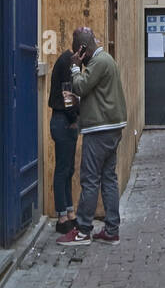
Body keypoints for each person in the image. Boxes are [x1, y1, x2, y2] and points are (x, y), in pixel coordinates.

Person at [56, 27, 127, 245]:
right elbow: (97, 94)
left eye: (77, 52)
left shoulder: (98, 62)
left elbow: (80, 86)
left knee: (90, 180)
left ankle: (83, 230)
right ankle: (111, 229)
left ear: (82, 49)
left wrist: (75, 68)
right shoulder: (106, 59)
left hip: (99, 129)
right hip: (111, 127)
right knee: (108, 179)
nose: (77, 57)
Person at [48, 47, 80, 230]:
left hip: (62, 119)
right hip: (63, 121)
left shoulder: (69, 60)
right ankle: (62, 217)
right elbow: (67, 94)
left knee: (67, 169)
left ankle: (69, 212)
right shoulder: (69, 62)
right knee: (63, 170)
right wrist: (73, 118)